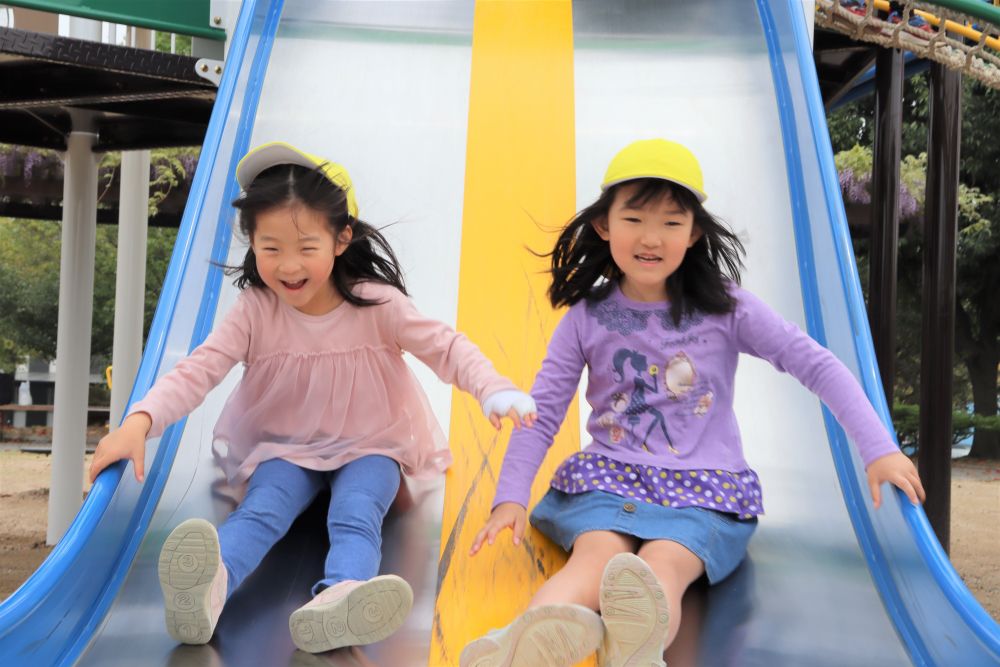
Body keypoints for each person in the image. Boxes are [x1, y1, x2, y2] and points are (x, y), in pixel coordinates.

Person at [461, 139, 925, 667]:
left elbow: (815, 364)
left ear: (695, 232)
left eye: (671, 222)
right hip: (611, 478)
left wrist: (878, 447)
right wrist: (511, 495)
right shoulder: (587, 318)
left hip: (702, 489)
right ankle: (526, 643)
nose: (651, 238)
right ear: (603, 226)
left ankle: (635, 647)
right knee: (595, 558)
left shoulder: (725, 309)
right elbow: (541, 411)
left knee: (662, 566)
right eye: (633, 218)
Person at [88, 142, 537, 654]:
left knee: (356, 508)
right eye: (271, 247)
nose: (288, 264)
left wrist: (492, 387)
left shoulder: (378, 304)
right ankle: (209, 589)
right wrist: (140, 421)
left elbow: (446, 347)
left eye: (306, 246)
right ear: (252, 242)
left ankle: (341, 597)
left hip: (372, 443)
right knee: (263, 509)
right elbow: (200, 369)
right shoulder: (256, 310)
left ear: (341, 238)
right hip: (287, 447)